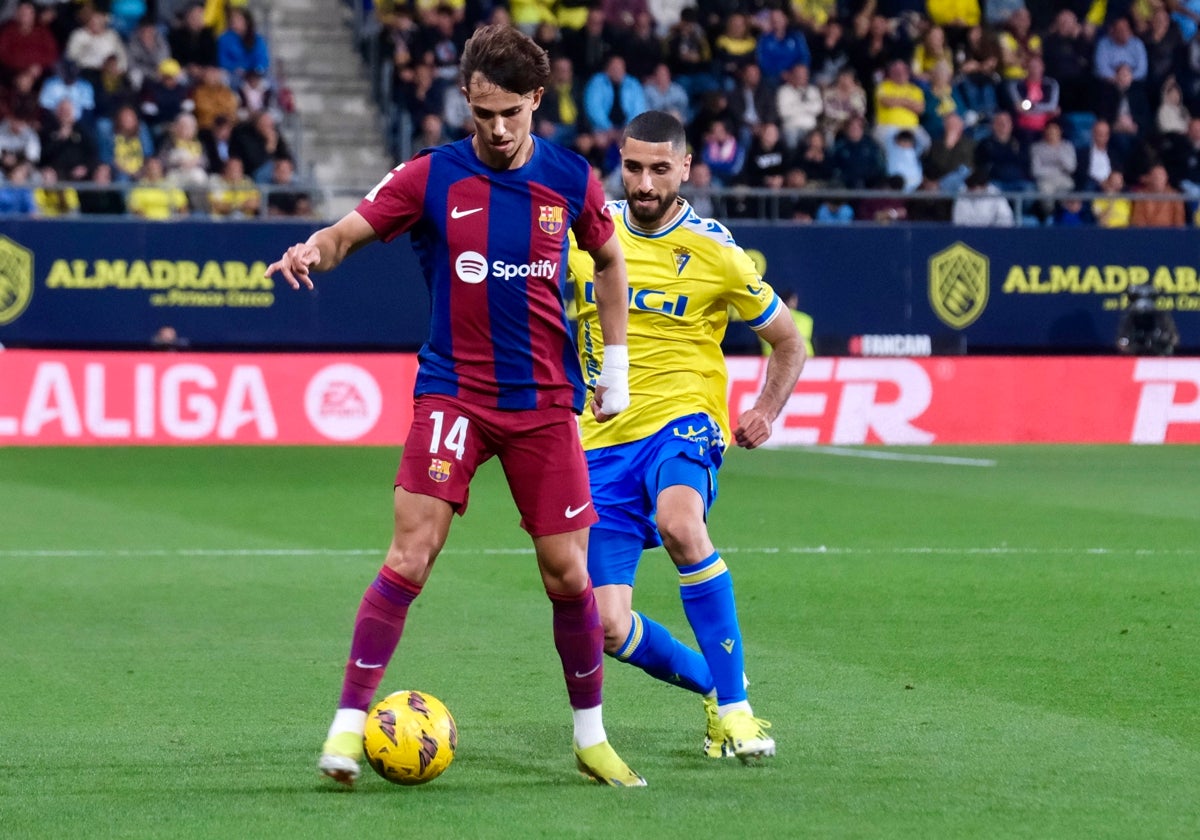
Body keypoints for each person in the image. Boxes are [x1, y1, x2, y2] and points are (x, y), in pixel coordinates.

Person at [264, 23, 643, 789]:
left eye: (510, 113)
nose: (497, 130)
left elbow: (608, 258)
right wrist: (312, 250)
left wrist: (618, 369)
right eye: (482, 115)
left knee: (570, 576)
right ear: (465, 101)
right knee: (410, 554)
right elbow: (346, 234)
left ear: (537, 99)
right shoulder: (432, 176)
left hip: (542, 402)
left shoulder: (572, 180)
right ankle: (343, 729)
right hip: (454, 395)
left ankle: (591, 737)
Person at [565, 110, 805, 763]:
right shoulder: (583, 235)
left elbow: (789, 341)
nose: (644, 182)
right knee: (609, 625)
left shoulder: (715, 250)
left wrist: (765, 410)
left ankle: (738, 714)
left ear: (685, 169)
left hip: (684, 423)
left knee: (679, 521)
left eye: (659, 169)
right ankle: (716, 684)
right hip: (601, 443)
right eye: (634, 166)